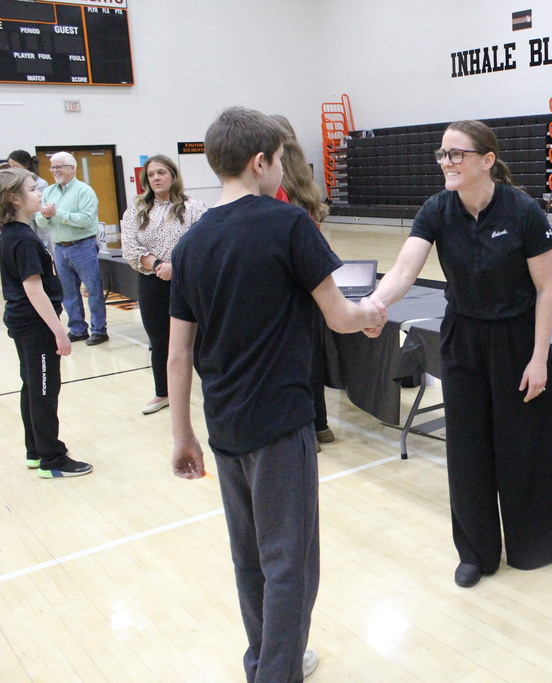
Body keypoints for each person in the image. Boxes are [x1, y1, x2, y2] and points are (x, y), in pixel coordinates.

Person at [167, 106, 384, 682]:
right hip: (281, 423)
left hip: (224, 427)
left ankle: (267, 659)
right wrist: (371, 311)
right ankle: (276, 672)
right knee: (291, 562)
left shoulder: (190, 244)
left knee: (251, 558)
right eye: (282, 159)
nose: (285, 169)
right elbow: (339, 317)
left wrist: (182, 433)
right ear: (261, 162)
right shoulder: (288, 226)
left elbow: (178, 353)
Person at [364, 120, 552, 588]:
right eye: (443, 155)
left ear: (486, 160)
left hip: (518, 339)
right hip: (464, 337)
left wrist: (539, 358)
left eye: (456, 154)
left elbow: (546, 288)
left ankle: (534, 542)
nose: (447, 163)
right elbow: (405, 269)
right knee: (468, 446)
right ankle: (476, 552)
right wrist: (374, 304)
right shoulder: (437, 210)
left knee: (523, 445)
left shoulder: (523, 211)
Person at [0, 167, 93, 478]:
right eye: (32, 189)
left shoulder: (14, 233)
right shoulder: (22, 239)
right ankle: (51, 458)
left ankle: (35, 450)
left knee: (32, 386)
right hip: (35, 325)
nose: (40, 193)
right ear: (14, 198)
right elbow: (33, 288)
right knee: (43, 388)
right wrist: (59, 333)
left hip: (24, 323)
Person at [120, 155, 206, 415]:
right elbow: (130, 247)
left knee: (201, 339)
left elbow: (202, 246)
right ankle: (163, 392)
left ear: (172, 175)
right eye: (151, 174)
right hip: (152, 282)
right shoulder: (136, 211)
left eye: (161, 173)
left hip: (188, 282)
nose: (156, 178)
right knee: (159, 339)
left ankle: (216, 388)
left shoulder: (194, 208)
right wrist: (158, 265)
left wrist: (175, 268)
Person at [269, 114, 333, 449]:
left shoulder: (274, 183)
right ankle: (320, 424)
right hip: (312, 275)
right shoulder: (305, 177)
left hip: (286, 280)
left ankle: (307, 428)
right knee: (313, 355)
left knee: (291, 360)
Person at [33, 151, 107, 345]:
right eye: (52, 167)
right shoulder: (49, 192)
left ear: (72, 168)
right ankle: (77, 329)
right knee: (68, 292)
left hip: (83, 245)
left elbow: (85, 220)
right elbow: (40, 220)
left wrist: (57, 213)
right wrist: (48, 215)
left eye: (58, 166)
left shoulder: (84, 191)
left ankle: (99, 330)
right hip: (59, 248)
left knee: (93, 290)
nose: (54, 170)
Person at [7, 150, 53, 252]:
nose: (12, 170)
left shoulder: (40, 184)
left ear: (26, 165)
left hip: (40, 229)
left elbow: (38, 209)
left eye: (15, 166)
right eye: (10, 167)